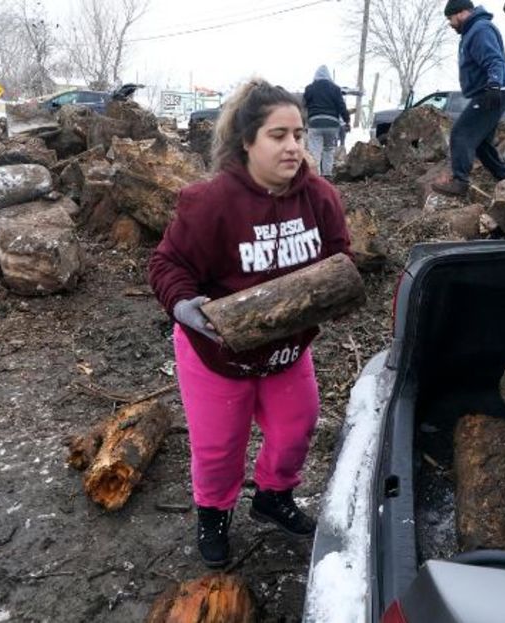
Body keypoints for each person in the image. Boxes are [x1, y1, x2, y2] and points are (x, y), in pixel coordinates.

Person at [148, 78, 352, 569]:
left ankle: (272, 497)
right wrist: (184, 307)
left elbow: (339, 257)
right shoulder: (211, 201)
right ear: (247, 142)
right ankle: (213, 514)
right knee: (219, 448)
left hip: (285, 351)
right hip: (216, 351)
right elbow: (166, 265)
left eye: (299, 134)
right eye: (278, 135)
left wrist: (335, 290)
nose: (293, 146)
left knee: (296, 428)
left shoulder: (319, 197)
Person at [432, 0, 505, 197]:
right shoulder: (473, 30)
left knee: (461, 134)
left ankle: (460, 182)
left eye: (450, 18)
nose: (450, 24)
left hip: (492, 91)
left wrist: (494, 84)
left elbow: (494, 59)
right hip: (493, 90)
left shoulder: (479, 30)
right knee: (481, 143)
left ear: (461, 13)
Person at [302, 66, 350, 178]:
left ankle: (316, 177)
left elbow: (304, 105)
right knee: (329, 149)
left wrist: (303, 121)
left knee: (315, 151)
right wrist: (347, 120)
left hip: (315, 123)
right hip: (332, 124)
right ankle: (327, 175)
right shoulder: (335, 89)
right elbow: (341, 106)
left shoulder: (310, 88)